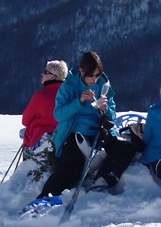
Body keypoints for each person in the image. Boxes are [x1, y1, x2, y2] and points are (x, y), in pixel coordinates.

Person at [36, 51, 136, 198]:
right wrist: (79, 102)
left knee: (125, 148)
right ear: (81, 71)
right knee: (69, 168)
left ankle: (103, 180)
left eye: (97, 75)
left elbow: (112, 115)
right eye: (91, 75)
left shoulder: (104, 84)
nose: (94, 79)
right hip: (76, 133)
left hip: (99, 132)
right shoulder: (69, 86)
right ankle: (46, 197)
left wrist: (105, 109)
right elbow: (59, 115)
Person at [21, 60, 67, 178]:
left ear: (53, 76)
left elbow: (25, 120)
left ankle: (26, 175)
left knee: (24, 134)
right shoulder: (70, 95)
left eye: (45, 72)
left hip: (40, 140)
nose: (42, 74)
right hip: (65, 139)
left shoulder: (41, 96)